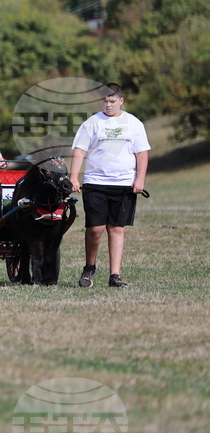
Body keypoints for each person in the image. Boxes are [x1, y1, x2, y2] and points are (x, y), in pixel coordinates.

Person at [70, 83, 150, 289]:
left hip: (124, 184)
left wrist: (139, 179)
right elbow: (79, 151)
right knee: (95, 229)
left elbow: (141, 153)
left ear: (121, 101)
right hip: (95, 182)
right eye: (105, 101)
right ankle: (89, 267)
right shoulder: (92, 123)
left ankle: (115, 275)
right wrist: (74, 177)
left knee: (116, 229)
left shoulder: (133, 123)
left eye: (112, 101)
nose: (108, 105)